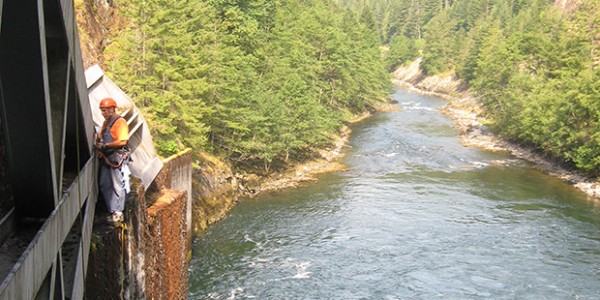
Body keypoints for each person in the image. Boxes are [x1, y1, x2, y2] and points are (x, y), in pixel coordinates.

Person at [96, 97, 131, 223]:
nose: (103, 113)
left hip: (115, 156)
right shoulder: (106, 123)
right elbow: (100, 137)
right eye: (102, 111)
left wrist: (105, 146)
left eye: (105, 110)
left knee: (117, 184)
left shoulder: (120, 122)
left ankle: (118, 212)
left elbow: (122, 141)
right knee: (105, 183)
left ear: (112, 109)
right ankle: (111, 210)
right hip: (107, 157)